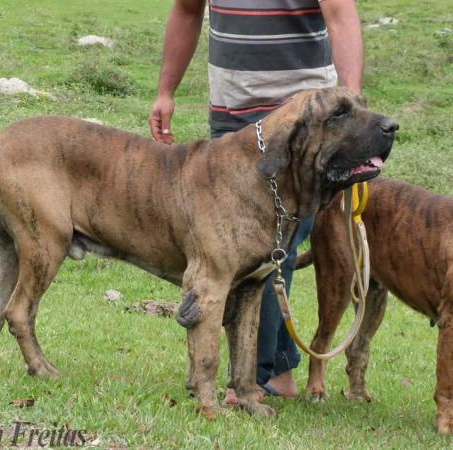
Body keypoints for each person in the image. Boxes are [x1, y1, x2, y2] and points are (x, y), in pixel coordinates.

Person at [149, 0, 364, 399]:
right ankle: (269, 372)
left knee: (274, 247)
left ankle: (258, 374)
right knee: (242, 249)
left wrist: (349, 106)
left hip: (303, 123)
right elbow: (187, 10)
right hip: (233, 116)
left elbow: (341, 14)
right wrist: (166, 91)